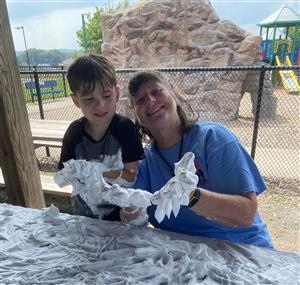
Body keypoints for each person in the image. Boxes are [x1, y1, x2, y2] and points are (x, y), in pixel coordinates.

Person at [124, 70, 273, 248]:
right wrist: (128, 209)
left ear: (173, 93)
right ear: (137, 116)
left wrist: (191, 195)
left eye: (156, 92)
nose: (150, 101)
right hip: (183, 257)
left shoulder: (212, 139)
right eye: (140, 100)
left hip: (242, 250)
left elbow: (246, 214)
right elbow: (133, 215)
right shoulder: (145, 162)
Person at [57, 54, 144, 220]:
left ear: (117, 94)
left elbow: (131, 176)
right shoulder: (74, 132)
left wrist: (96, 171)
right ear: (76, 101)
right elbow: (63, 176)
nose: (100, 105)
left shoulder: (125, 129)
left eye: (106, 96)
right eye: (89, 98)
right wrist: (74, 176)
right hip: (85, 215)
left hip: (123, 217)